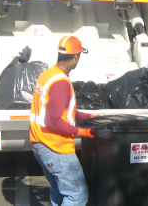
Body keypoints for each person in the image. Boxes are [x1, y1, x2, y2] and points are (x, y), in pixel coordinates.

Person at [30, 35, 97, 205]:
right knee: (77, 195)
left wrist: (87, 117)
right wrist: (82, 132)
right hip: (56, 147)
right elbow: (52, 121)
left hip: (41, 143)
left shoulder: (48, 74)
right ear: (75, 57)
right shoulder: (60, 82)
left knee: (59, 190)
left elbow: (62, 110)